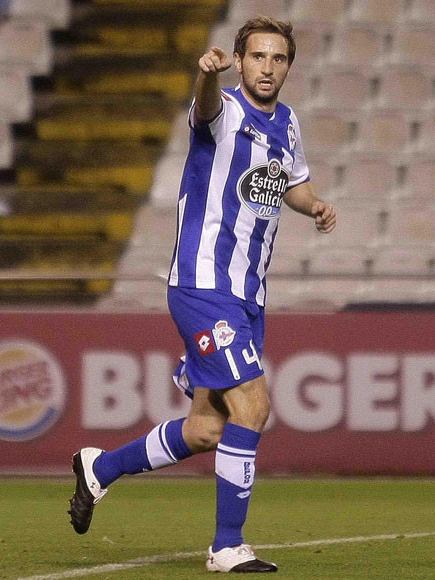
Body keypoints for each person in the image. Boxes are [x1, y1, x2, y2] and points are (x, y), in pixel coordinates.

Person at [68, 17, 336, 573]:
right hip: (203, 284)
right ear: (239, 61)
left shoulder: (287, 124)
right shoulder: (223, 108)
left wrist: (315, 207)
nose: (267, 67)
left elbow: (295, 184)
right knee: (255, 406)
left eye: (278, 58)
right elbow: (205, 105)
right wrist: (206, 76)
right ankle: (226, 545)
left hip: (247, 296)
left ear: (288, 66)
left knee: (206, 428)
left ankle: (101, 467)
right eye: (257, 57)